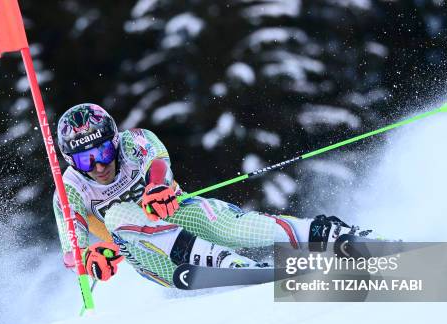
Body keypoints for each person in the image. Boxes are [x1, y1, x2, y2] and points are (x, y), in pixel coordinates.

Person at [53, 103, 368, 287]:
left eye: (104, 151)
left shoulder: (134, 141)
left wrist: (158, 187)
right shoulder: (70, 191)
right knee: (121, 215)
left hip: (179, 214)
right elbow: (72, 251)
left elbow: (158, 161)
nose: (98, 165)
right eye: (85, 159)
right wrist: (90, 258)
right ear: (71, 160)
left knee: (232, 225)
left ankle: (331, 235)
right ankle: (229, 266)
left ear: (114, 140)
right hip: (155, 258)